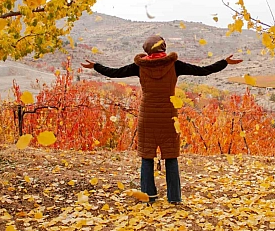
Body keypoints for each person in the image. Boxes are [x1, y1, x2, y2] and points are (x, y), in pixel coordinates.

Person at [81, 35, 243, 204]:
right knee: (171, 157)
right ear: (163, 47)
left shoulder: (139, 66)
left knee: (147, 156)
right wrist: (224, 62)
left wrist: (95, 66)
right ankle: (174, 198)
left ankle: (149, 196)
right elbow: (203, 70)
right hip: (168, 117)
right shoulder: (175, 65)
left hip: (147, 117)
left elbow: (114, 73)